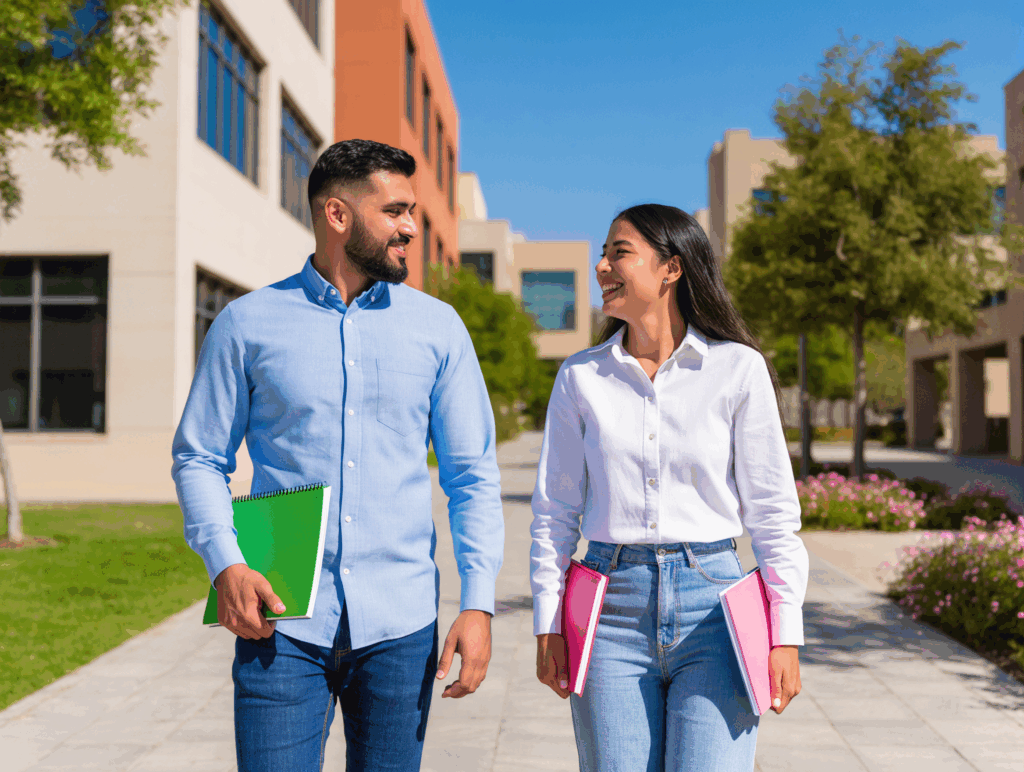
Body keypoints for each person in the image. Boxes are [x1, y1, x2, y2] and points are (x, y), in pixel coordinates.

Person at [172, 139, 504, 772]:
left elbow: (472, 477)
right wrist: (225, 563)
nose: (411, 227)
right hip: (281, 617)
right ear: (338, 215)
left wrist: (479, 602)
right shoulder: (247, 324)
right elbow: (199, 456)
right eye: (396, 211)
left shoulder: (439, 328)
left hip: (401, 626)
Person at [530, 204, 808, 771]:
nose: (602, 265)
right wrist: (548, 619)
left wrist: (786, 631)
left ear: (671, 268)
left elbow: (773, 512)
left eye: (618, 252)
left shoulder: (738, 369)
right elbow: (554, 512)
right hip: (609, 607)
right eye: (603, 253)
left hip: (718, 608)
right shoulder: (581, 377)